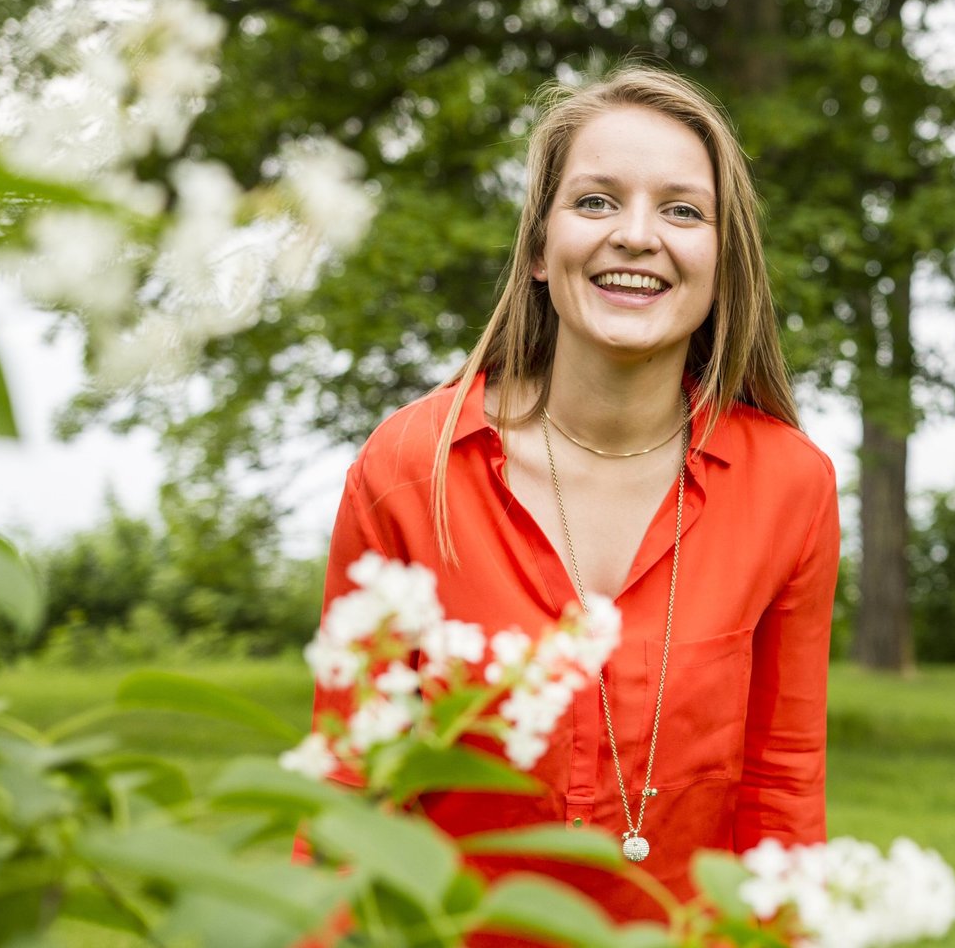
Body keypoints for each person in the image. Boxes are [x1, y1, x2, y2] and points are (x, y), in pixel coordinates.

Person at [309, 64, 841, 929]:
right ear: (537, 251)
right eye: (596, 202)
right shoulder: (412, 466)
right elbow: (348, 784)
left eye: (681, 210)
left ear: (721, 259)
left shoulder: (792, 486)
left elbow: (783, 794)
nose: (636, 235)